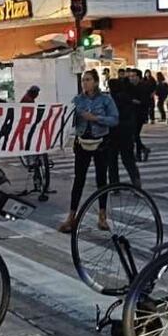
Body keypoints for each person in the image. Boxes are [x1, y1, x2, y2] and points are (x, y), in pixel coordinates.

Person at [59, 69, 118, 233]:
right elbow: (68, 119)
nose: (85, 83)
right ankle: (72, 216)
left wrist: (96, 118)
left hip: (101, 143)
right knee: (79, 179)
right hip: (82, 142)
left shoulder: (105, 99)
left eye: (88, 79)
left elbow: (115, 119)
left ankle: (102, 215)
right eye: (83, 80)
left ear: (96, 82)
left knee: (101, 179)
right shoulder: (77, 100)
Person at [107, 77, 143, 189]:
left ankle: (114, 185)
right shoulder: (128, 98)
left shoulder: (111, 100)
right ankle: (136, 182)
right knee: (128, 160)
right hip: (127, 134)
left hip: (113, 134)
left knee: (112, 161)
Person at [127, 69, 151, 161]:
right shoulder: (130, 87)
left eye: (133, 76)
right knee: (135, 134)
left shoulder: (144, 87)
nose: (131, 78)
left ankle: (139, 153)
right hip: (131, 114)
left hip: (140, 114)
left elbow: (144, 102)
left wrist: (132, 100)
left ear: (138, 77)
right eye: (130, 76)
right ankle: (141, 151)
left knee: (135, 134)